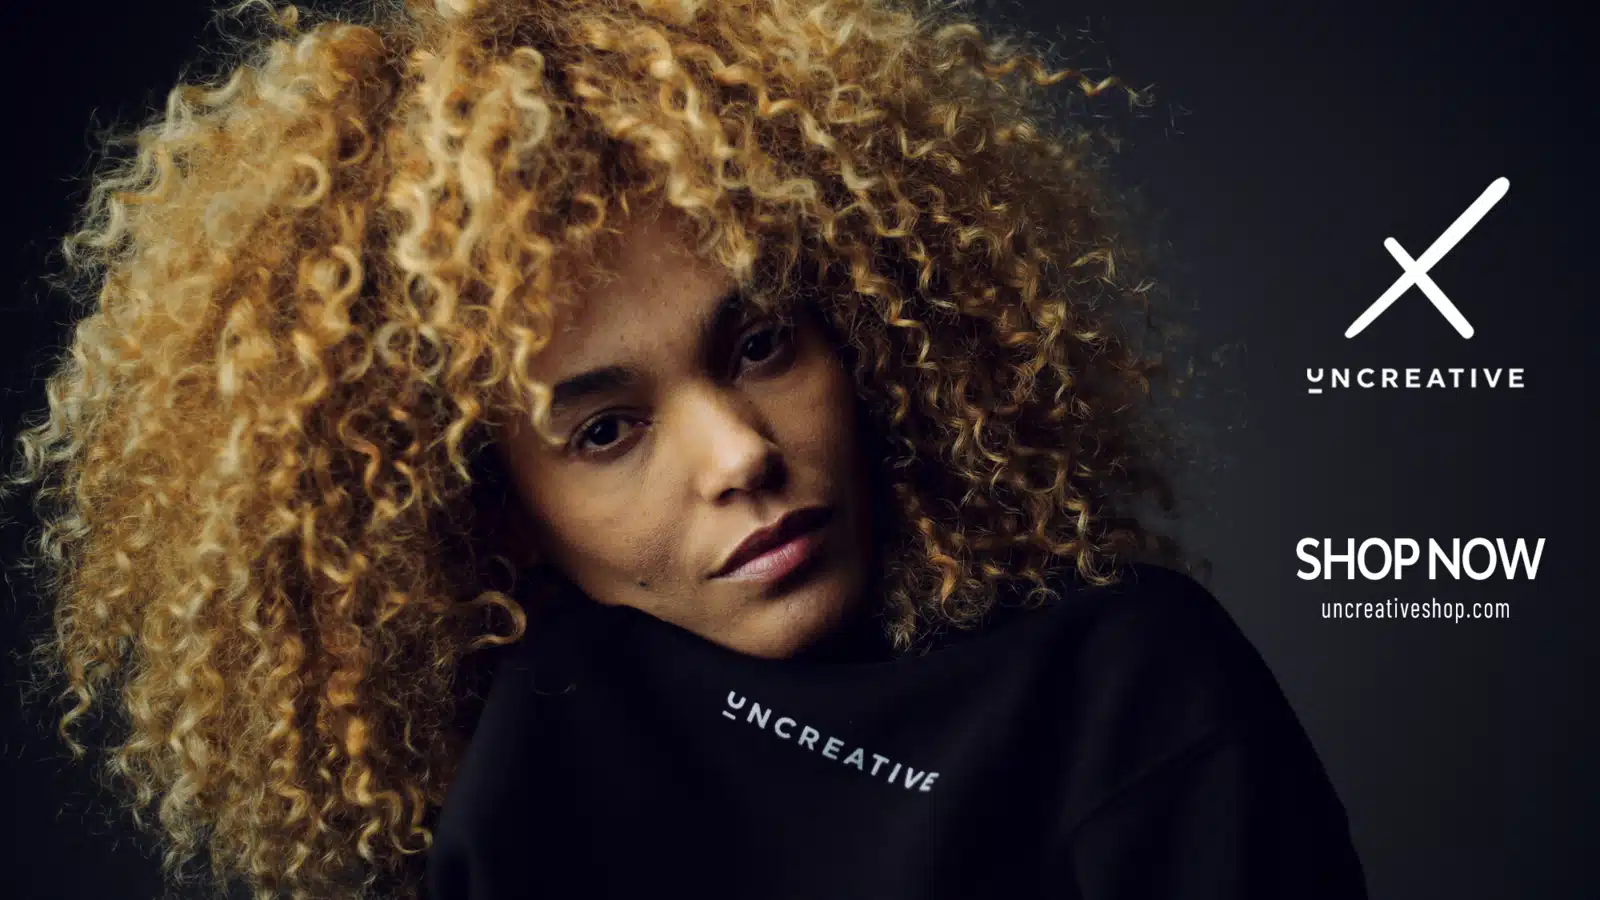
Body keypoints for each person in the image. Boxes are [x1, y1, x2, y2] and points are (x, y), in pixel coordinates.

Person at [3, 0, 1367, 898]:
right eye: (603, 430)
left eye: (762, 342)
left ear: (868, 334)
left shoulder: (1127, 686)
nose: (736, 455)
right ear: (499, 517)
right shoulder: (538, 756)